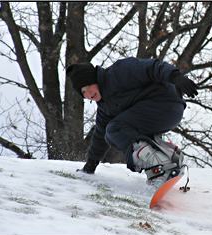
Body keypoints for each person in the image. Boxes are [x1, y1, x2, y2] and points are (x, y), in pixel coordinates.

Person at [66, 57, 197, 185]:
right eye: (83, 92)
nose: (88, 93)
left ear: (94, 79)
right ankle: (170, 156)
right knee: (114, 133)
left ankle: (159, 166)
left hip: (164, 102)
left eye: (88, 86)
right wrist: (90, 166)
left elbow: (151, 67)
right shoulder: (104, 108)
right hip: (164, 114)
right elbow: (99, 137)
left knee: (115, 129)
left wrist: (175, 77)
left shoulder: (117, 73)